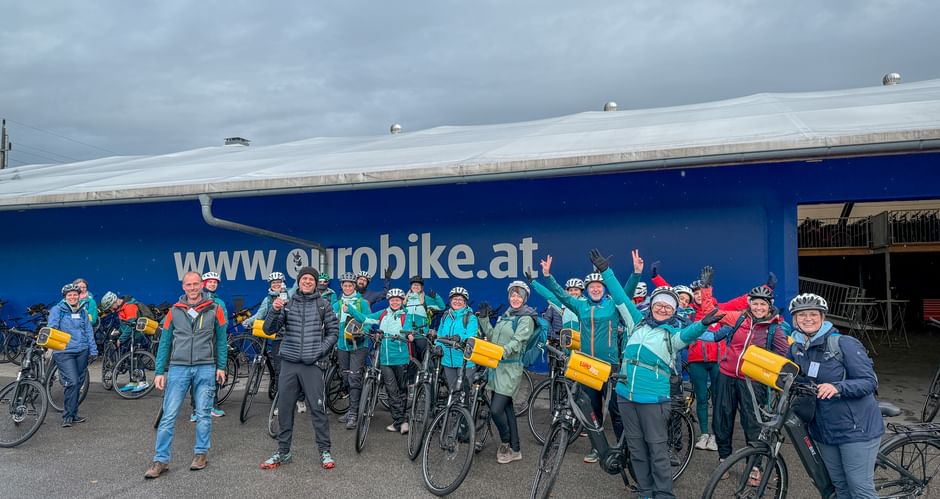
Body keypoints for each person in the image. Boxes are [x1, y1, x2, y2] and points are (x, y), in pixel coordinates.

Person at [594, 249, 723, 499]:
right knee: (637, 449)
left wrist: (703, 323)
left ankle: (664, 494)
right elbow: (620, 297)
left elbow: (689, 334)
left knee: (657, 449)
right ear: (651, 305)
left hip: (653, 399)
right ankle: (645, 491)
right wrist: (605, 272)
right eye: (659, 304)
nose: (663, 309)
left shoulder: (671, 336)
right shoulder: (636, 322)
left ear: (673, 311)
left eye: (668, 307)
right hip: (626, 396)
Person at [787, 293, 883, 498]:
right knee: (839, 486)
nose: (808, 319)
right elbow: (792, 378)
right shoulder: (796, 348)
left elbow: (869, 382)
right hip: (823, 429)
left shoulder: (842, 343)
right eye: (802, 315)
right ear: (795, 319)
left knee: (860, 489)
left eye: (813, 314)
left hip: (855, 428)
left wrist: (838, 387)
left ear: (823, 317)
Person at [539, 255, 623, 463]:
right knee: (591, 409)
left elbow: (626, 292)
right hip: (589, 364)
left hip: (610, 365)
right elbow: (560, 295)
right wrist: (548, 276)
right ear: (587, 289)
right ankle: (598, 448)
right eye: (591, 286)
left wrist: (636, 273)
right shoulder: (581, 306)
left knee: (615, 410)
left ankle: (624, 447)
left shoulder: (613, 306)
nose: (595, 289)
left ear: (604, 288)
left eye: (599, 286)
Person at [145, 272, 228, 479]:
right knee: (169, 416)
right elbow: (164, 342)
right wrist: (159, 371)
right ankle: (160, 460)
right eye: (188, 285)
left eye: (195, 284)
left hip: (206, 367)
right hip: (178, 368)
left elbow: (221, 340)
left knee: (203, 414)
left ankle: (201, 454)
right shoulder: (174, 311)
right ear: (183, 287)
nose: (192, 288)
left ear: (202, 285)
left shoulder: (215, 309)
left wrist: (221, 366)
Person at [260, 266, 339, 470]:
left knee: (318, 409)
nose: (307, 282)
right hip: (289, 362)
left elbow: (333, 332)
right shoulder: (287, 302)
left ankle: (324, 451)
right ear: (299, 281)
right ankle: (283, 452)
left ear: (315, 283)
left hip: (312, 364)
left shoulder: (323, 304)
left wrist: (319, 351)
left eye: (311, 279)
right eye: (304, 278)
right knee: (285, 409)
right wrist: (274, 310)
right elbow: (269, 329)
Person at [712, 283, 790, 479]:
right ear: (749, 304)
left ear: (769, 305)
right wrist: (706, 290)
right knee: (722, 418)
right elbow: (713, 312)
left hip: (753, 381)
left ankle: (755, 466)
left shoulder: (774, 328)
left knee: (753, 422)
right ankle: (724, 459)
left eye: (763, 304)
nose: (759, 308)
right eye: (755, 304)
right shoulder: (739, 319)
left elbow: (784, 354)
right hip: (726, 374)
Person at [477, 281, 536, 464]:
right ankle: (515, 448)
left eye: (519, 295)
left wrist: (503, 351)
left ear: (524, 298)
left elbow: (519, 341)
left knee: (496, 410)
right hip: (497, 368)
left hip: (510, 369)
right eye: (513, 295)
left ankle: (505, 441)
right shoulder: (506, 316)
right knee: (507, 408)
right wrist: (484, 319)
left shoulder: (526, 318)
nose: (515, 298)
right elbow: (493, 337)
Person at [346, 288, 415, 434]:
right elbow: (365, 318)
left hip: (401, 358)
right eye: (392, 300)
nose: (395, 302)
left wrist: (407, 333)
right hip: (385, 359)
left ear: (402, 301)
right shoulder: (383, 313)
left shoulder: (406, 315)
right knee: (391, 390)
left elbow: (408, 327)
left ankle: (403, 420)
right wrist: (351, 310)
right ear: (389, 301)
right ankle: (399, 421)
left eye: (397, 300)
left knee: (402, 390)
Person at [48, 283, 98, 427]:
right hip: (64, 352)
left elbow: (88, 331)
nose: (72, 297)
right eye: (69, 295)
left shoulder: (82, 311)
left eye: (75, 294)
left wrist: (93, 350)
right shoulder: (58, 310)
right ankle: (68, 416)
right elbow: (52, 328)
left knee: (78, 383)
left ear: (79, 296)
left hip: (82, 350)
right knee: (73, 381)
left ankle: (73, 413)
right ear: (65, 297)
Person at [333, 272, 372, 429]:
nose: (348, 287)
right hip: (342, 345)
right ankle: (352, 409)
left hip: (358, 345)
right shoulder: (337, 304)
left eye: (350, 285)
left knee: (354, 378)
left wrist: (364, 331)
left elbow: (368, 321)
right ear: (342, 286)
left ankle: (354, 414)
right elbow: (329, 320)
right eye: (345, 285)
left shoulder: (362, 303)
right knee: (346, 377)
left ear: (354, 286)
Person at [248, 271, 289, 400]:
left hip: (290, 337)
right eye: (274, 283)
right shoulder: (268, 299)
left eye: (279, 282)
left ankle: (299, 397)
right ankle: (279, 399)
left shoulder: (290, 296)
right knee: (278, 369)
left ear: (283, 283)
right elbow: (260, 315)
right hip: (276, 336)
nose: (276, 284)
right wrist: (248, 322)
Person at [99, 291, 149, 393]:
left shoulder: (129, 307)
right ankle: (133, 381)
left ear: (114, 302)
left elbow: (132, 325)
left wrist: (121, 339)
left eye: (111, 307)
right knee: (129, 359)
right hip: (129, 337)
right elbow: (125, 325)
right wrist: (118, 332)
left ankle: (143, 382)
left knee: (135, 359)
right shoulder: (122, 308)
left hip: (137, 336)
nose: (111, 310)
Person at [436, 287, 479, 395]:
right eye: (454, 299)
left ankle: (466, 411)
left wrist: (460, 338)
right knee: (453, 391)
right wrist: (438, 345)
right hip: (447, 361)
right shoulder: (446, 316)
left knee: (464, 393)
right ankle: (453, 412)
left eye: (460, 299)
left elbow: (471, 336)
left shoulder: (470, 317)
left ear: (465, 302)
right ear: (450, 301)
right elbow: (440, 334)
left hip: (464, 361)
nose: (457, 301)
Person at [403, 275, 445, 379]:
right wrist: (407, 332)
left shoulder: (426, 299)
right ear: (411, 287)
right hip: (409, 335)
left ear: (421, 287)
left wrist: (436, 297)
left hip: (421, 335)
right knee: (410, 362)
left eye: (418, 285)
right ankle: (411, 385)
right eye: (414, 285)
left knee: (424, 361)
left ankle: (425, 383)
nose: (416, 286)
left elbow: (442, 307)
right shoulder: (405, 300)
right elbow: (403, 318)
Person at [200, 271, 228, 418]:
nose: (212, 284)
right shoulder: (196, 298)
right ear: (204, 283)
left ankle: (212, 404)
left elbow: (224, 322)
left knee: (215, 372)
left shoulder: (220, 302)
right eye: (210, 281)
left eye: (215, 282)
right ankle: (195, 409)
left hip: (214, 340)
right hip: (199, 341)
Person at [530, 272, 583, 340]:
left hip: (583, 340)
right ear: (566, 292)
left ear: (581, 291)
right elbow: (549, 295)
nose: (573, 292)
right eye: (571, 290)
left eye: (576, 290)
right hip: (567, 340)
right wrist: (534, 283)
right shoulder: (563, 304)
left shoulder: (585, 304)